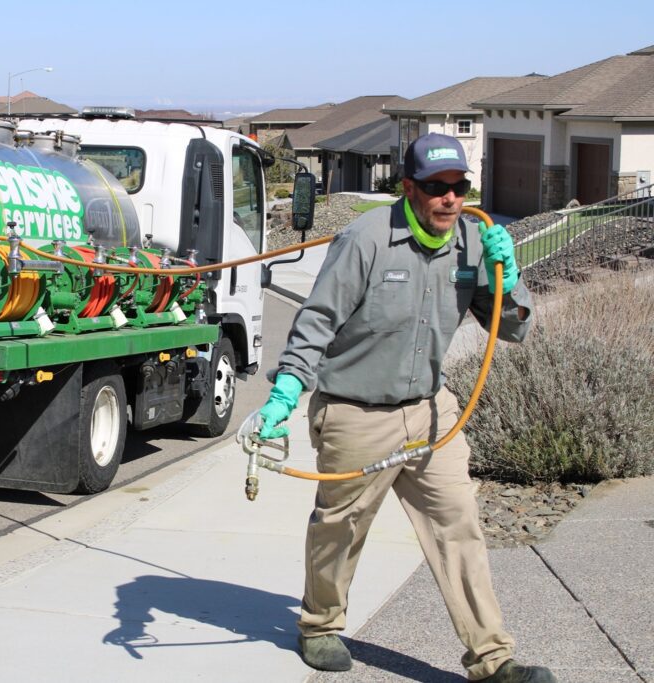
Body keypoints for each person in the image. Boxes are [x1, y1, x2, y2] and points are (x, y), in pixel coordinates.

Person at [259, 133, 554, 683]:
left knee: (458, 525)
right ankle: (320, 625)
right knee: (341, 528)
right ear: (409, 187)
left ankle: (492, 659)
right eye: (437, 187)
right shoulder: (366, 239)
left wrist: (509, 282)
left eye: (459, 187)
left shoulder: (474, 241)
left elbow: (511, 329)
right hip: (355, 413)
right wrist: (287, 390)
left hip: (430, 412)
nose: (450, 198)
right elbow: (317, 319)